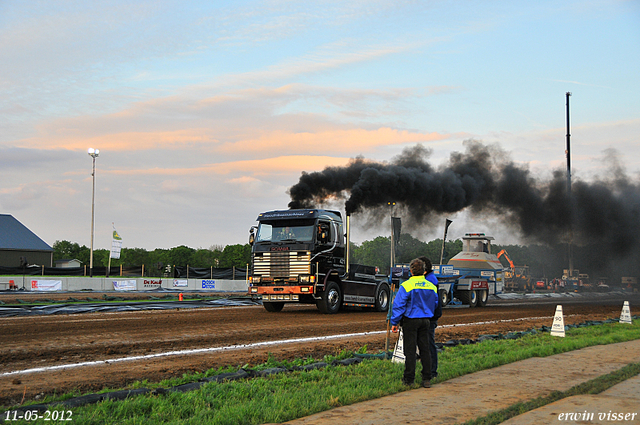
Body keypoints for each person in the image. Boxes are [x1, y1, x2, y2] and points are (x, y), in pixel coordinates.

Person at [390, 258, 439, 388]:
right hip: (426, 320)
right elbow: (435, 303)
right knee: (425, 349)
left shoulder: (406, 286)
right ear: (424, 271)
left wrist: (394, 322)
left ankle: (409, 379)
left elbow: (399, 305)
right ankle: (427, 378)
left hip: (410, 321)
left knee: (410, 351)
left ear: (411, 271)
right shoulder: (431, 286)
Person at [419, 256, 442, 380]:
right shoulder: (429, 278)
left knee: (428, 344)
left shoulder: (430, 281)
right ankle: (429, 370)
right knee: (426, 343)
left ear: (424, 269)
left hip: (430, 316)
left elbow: (431, 301)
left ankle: (432, 371)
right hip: (430, 315)